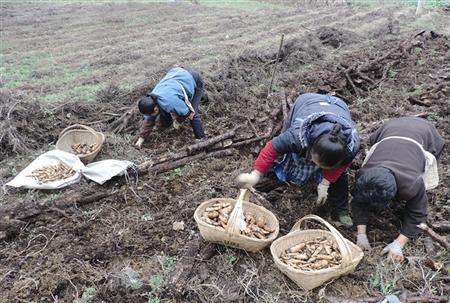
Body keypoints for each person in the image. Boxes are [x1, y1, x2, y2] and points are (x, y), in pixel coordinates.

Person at [237, 93, 360, 226]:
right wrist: (255, 174)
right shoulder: (297, 135)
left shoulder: (350, 148)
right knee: (284, 154)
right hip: (306, 103)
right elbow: (272, 148)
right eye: (315, 161)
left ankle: (341, 210)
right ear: (311, 148)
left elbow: (341, 167)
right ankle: (274, 179)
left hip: (339, 106)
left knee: (340, 177)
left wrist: (325, 183)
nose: (315, 164)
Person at [352, 116, 444, 262]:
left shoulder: (411, 184)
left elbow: (418, 214)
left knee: (422, 184)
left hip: (427, 133)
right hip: (390, 128)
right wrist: (361, 235)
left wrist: (398, 243)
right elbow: (358, 201)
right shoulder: (363, 175)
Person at [136, 67, 206, 147]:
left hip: (194, 80)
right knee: (163, 108)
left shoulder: (170, 102)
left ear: (155, 108)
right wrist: (141, 138)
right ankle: (168, 125)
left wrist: (178, 120)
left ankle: (202, 139)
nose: (152, 116)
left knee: (193, 113)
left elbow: (188, 112)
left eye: (153, 113)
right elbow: (149, 119)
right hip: (177, 75)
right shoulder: (151, 99)